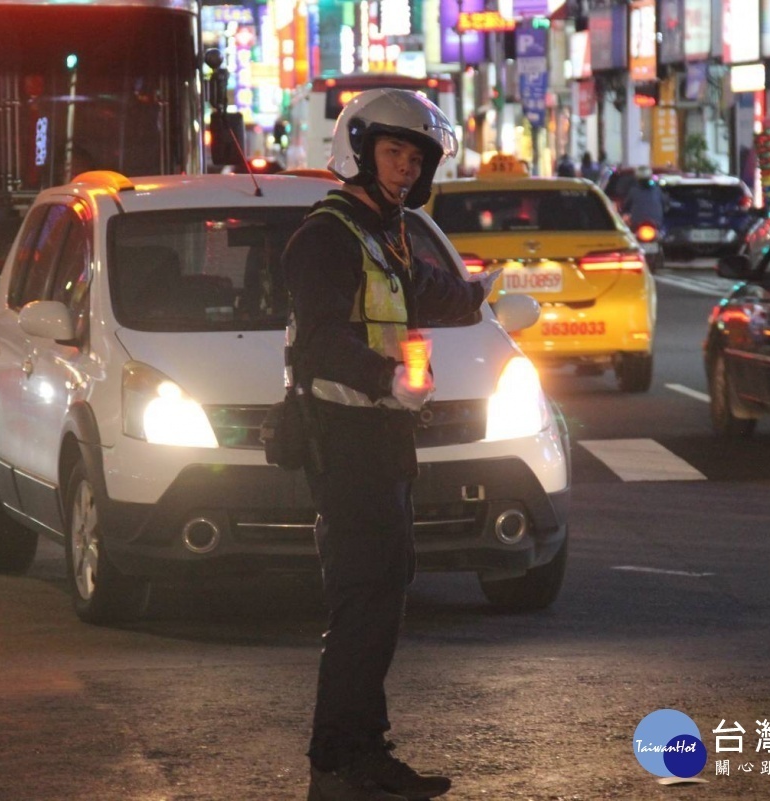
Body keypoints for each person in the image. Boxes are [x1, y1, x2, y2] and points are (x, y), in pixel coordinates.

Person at [281, 88, 499, 801]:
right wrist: (384, 379)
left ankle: (361, 747)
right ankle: (341, 756)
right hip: (343, 438)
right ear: (361, 148)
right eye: (394, 151)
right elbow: (316, 342)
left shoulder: (387, 233)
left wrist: (485, 295)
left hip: (382, 440)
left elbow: (425, 291)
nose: (406, 167)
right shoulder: (328, 235)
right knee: (362, 598)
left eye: (415, 157)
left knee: (384, 593)